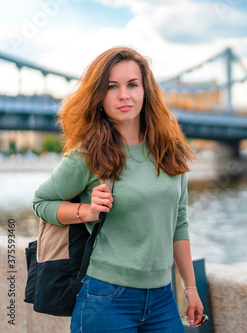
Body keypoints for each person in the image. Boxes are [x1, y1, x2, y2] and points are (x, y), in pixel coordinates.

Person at [32, 46, 204, 332]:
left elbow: (179, 223)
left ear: (145, 91)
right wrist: (86, 210)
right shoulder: (88, 154)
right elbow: (42, 202)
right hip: (106, 298)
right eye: (112, 87)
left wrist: (191, 288)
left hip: (163, 299)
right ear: (99, 96)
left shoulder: (170, 152)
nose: (124, 95)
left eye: (132, 85)